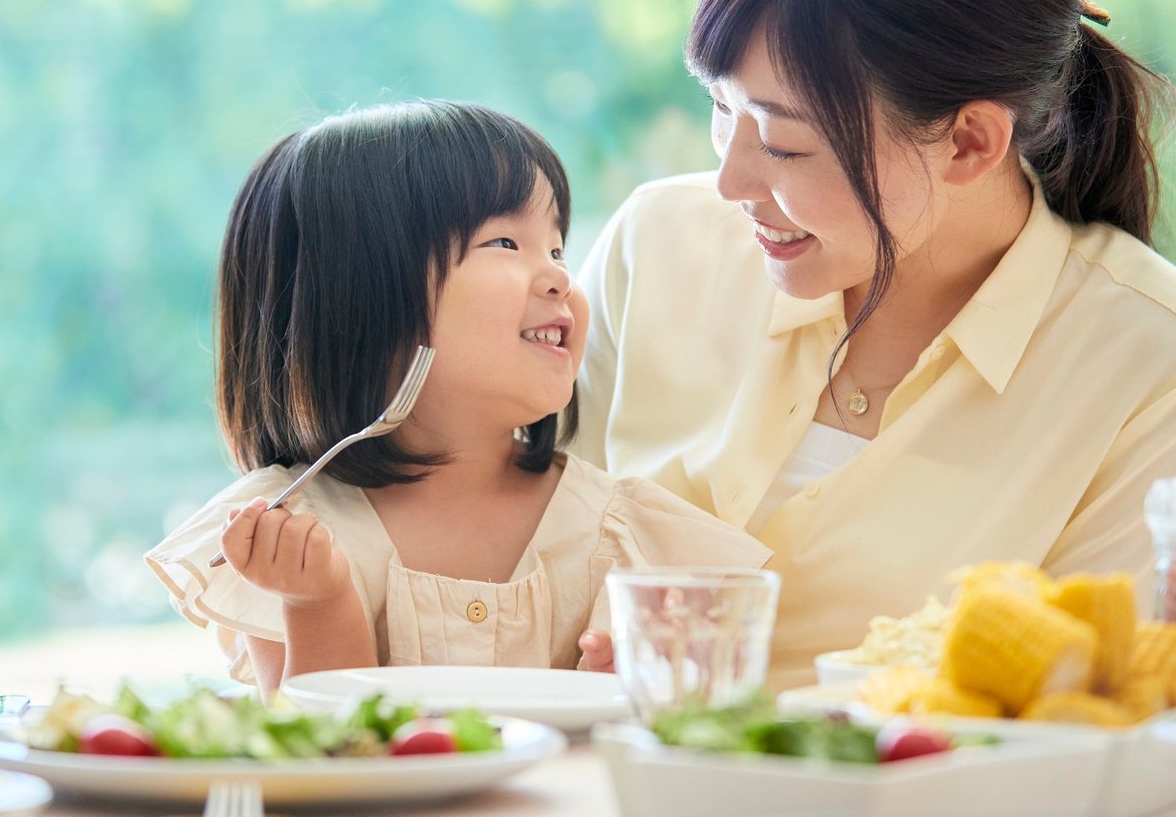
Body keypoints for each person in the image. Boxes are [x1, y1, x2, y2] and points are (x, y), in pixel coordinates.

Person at [571, 0, 1176, 691]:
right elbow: (513, 544)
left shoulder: (1155, 358)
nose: (731, 181)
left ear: (968, 142)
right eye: (720, 108)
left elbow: (1087, 715)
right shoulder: (658, 245)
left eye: (784, 144)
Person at [146, 100, 770, 697]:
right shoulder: (294, 532)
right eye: (505, 244)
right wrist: (319, 604)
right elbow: (316, 757)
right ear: (359, 302)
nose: (559, 276)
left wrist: (629, 696)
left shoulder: (625, 537)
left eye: (555, 246)